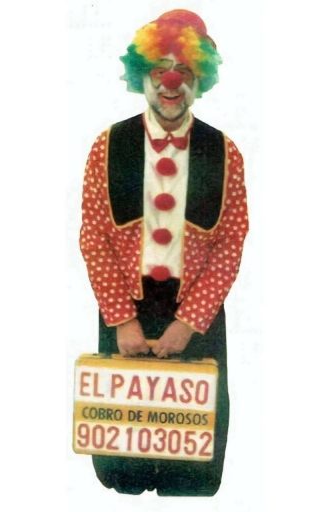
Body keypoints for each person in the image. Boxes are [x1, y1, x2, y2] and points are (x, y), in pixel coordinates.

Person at [79, 9, 248, 496]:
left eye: (184, 72)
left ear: (200, 80)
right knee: (125, 440)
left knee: (192, 445)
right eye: (160, 70)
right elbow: (93, 235)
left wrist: (190, 321)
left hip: (195, 312)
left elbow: (231, 241)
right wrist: (120, 318)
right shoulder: (108, 145)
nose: (171, 83)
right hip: (126, 308)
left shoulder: (225, 152)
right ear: (142, 75)